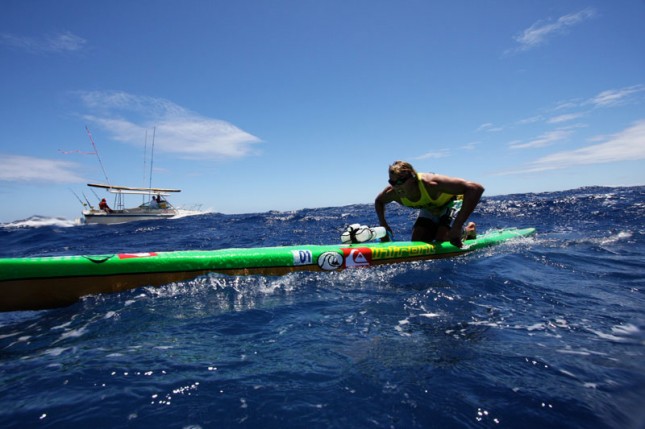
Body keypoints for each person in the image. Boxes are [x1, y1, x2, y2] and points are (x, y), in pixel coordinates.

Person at [375, 160, 484, 248]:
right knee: (417, 240)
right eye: (392, 182)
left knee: (442, 238)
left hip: (451, 202)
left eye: (400, 182)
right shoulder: (392, 193)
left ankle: (468, 230)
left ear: (412, 178)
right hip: (429, 208)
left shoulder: (431, 184)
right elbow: (379, 201)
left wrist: (457, 226)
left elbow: (475, 188)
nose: (396, 187)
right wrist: (384, 225)